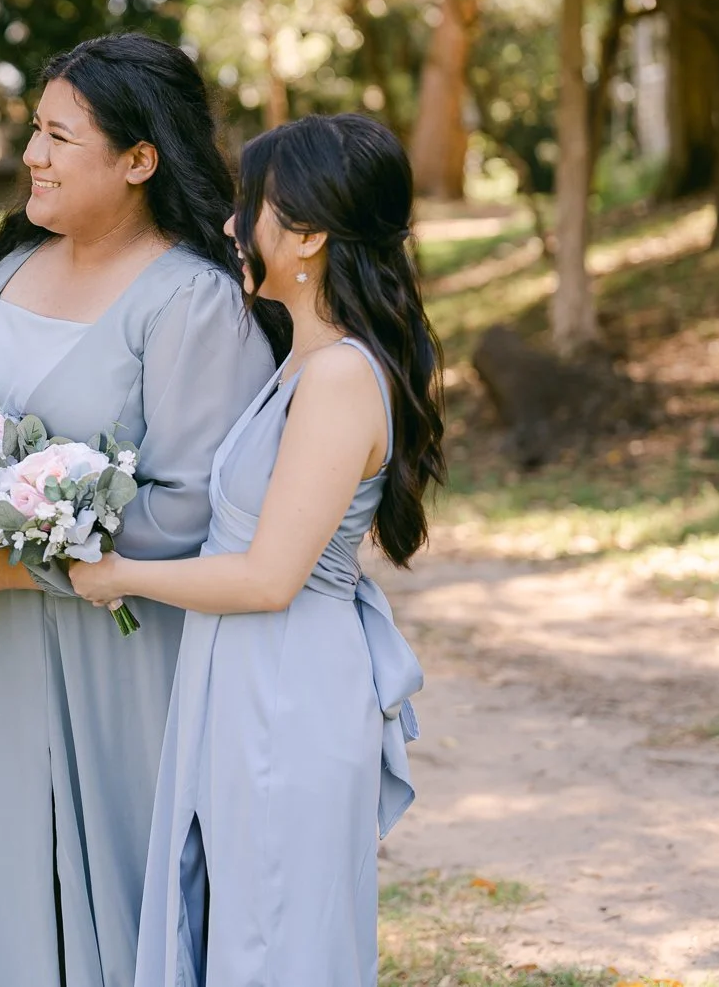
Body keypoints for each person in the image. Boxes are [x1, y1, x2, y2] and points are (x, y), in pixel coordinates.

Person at [0, 33, 279, 987]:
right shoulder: (7, 266)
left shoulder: (194, 302)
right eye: (33, 130)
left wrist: (21, 567)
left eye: (58, 137)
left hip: (113, 647)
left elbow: (189, 507)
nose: (30, 155)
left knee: (110, 894)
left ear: (138, 160)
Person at [69, 114, 441, 986]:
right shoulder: (302, 364)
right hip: (247, 677)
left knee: (272, 941)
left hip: (287, 688)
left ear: (306, 235)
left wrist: (118, 574)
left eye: (251, 206)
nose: (231, 225)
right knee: (239, 925)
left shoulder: (339, 376)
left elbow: (270, 577)